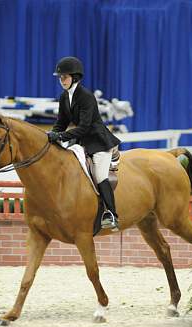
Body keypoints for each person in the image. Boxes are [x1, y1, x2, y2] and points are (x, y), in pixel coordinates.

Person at [47, 56, 121, 230]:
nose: (61, 80)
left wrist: (61, 137)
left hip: (98, 142)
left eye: (64, 77)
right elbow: (61, 122)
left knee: (99, 175)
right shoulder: (64, 97)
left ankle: (111, 214)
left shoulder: (86, 96)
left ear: (75, 77)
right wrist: (51, 135)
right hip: (80, 141)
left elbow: (85, 127)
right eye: (60, 77)